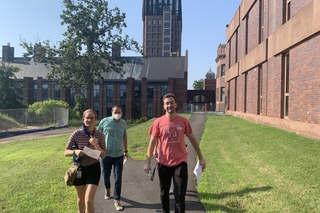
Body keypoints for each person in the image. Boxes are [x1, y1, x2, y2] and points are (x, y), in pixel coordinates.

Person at [144, 93, 206, 213]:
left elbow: (193, 139)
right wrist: (148, 163)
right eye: (167, 103)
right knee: (164, 193)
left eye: (171, 102)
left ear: (176, 105)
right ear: (164, 106)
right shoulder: (158, 122)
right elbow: (152, 142)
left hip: (180, 163)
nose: (169, 105)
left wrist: (201, 158)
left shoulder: (183, 121)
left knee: (179, 197)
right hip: (163, 163)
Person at [64, 109, 106, 213]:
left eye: (92, 118)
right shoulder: (76, 134)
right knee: (81, 199)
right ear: (83, 119)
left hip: (93, 168)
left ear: (95, 120)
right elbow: (65, 152)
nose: (89, 120)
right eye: (87, 117)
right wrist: (75, 151)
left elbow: (103, 154)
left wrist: (96, 144)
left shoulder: (100, 135)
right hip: (79, 169)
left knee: (88, 200)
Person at [97, 105, 128, 211]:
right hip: (106, 154)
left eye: (119, 112)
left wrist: (126, 150)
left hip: (119, 154)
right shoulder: (104, 121)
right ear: (111, 112)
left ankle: (117, 200)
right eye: (115, 112)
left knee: (118, 177)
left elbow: (125, 137)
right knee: (105, 175)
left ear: (122, 113)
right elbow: (97, 135)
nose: (117, 114)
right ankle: (107, 189)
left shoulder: (123, 123)